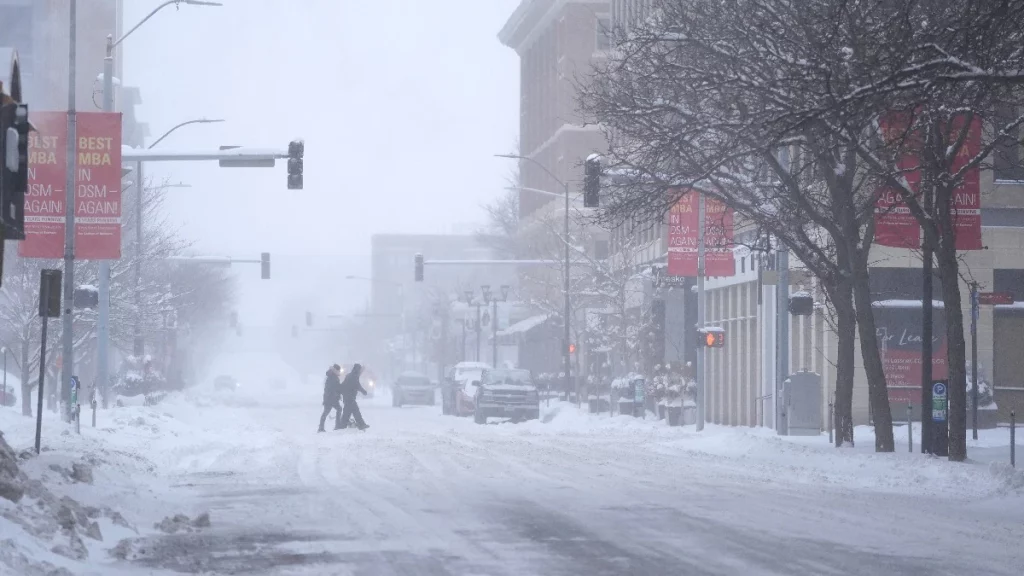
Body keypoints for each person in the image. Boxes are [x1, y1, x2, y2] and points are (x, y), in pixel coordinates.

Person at [338, 363, 369, 430]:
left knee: (347, 413)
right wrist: (364, 391)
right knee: (356, 411)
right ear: (357, 369)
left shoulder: (349, 375)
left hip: (347, 397)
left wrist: (340, 392)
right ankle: (361, 425)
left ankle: (342, 426)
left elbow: (343, 385)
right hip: (350, 398)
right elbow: (357, 386)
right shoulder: (354, 376)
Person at [318, 364, 344, 432]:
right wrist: (338, 392)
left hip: (331, 398)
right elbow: (333, 387)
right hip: (330, 398)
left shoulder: (332, 376)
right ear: (336, 370)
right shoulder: (332, 377)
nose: (339, 372)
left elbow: (336, 387)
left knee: (337, 409)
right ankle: (322, 427)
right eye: (339, 370)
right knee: (327, 412)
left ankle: (336, 425)